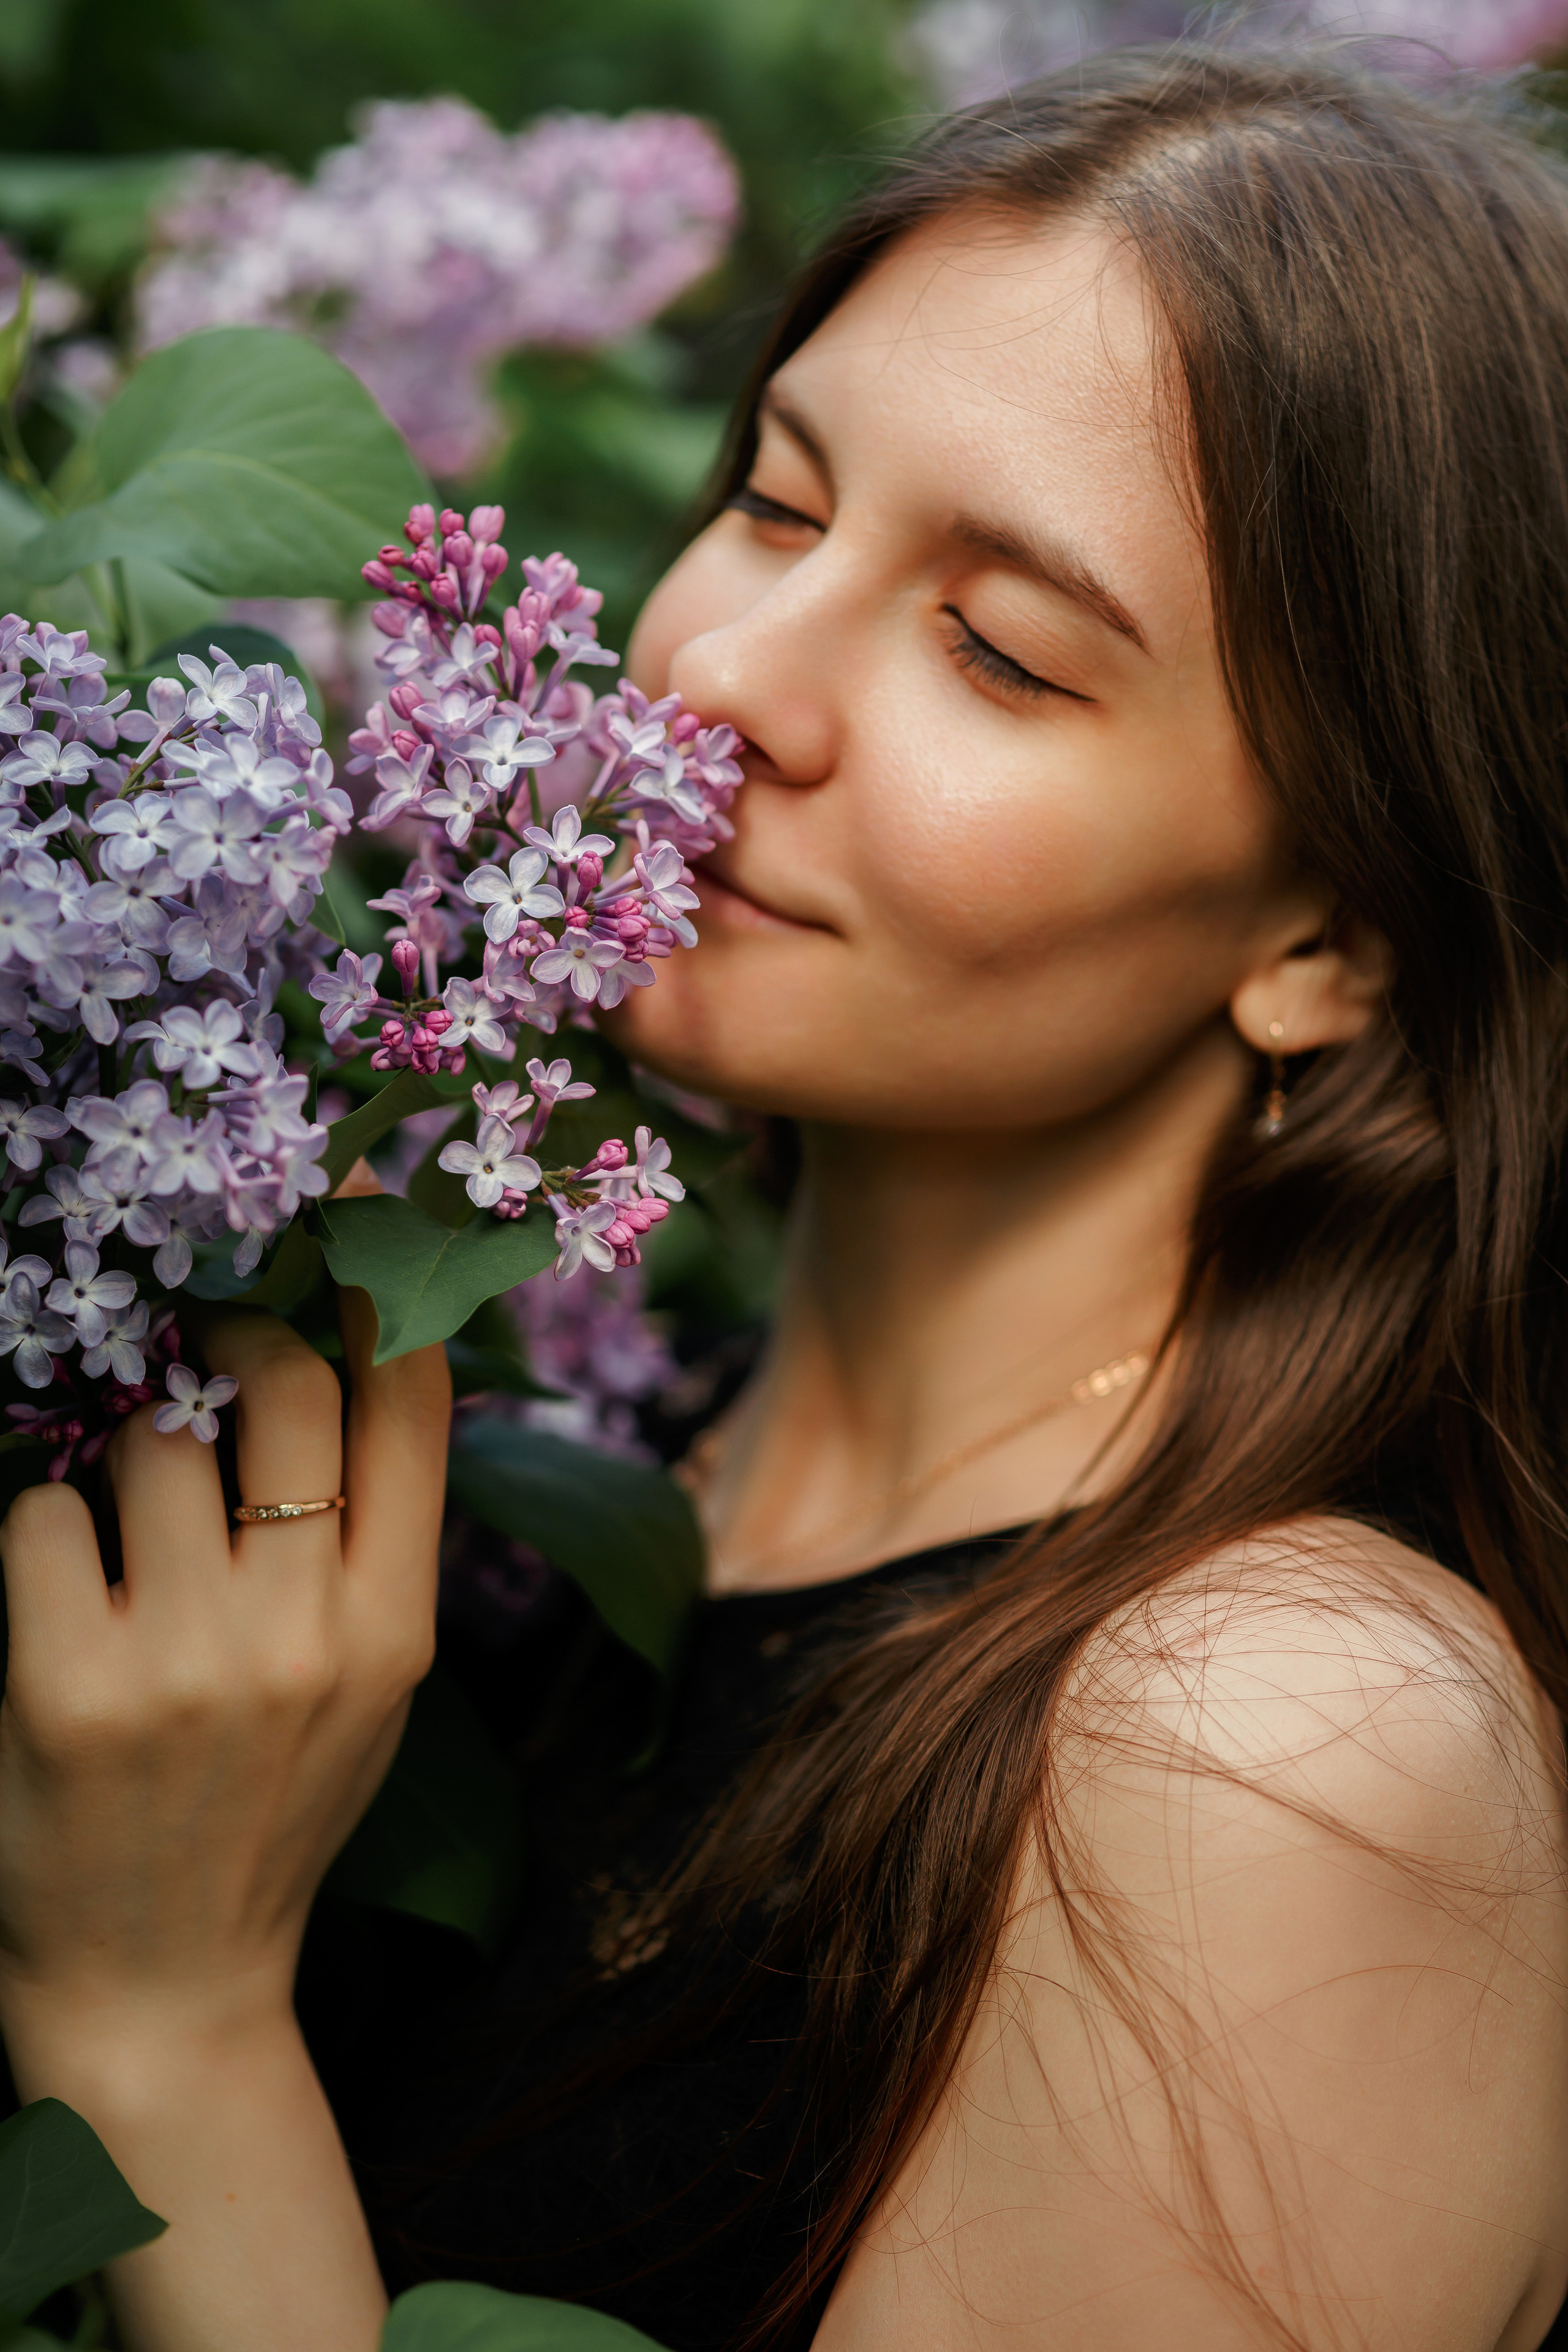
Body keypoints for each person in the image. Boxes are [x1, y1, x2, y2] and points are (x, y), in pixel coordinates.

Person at [3, 39, 1568, 2352]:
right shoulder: (581, 1464)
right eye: (775, 502)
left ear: (1331, 935)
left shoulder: (1280, 1763)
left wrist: (166, 2024)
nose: (726, 674)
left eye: (999, 648)